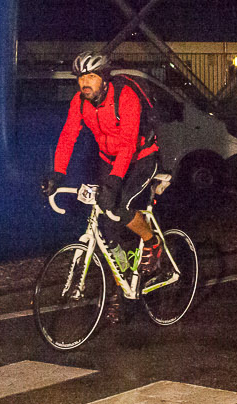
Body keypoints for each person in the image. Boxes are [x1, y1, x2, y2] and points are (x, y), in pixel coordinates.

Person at [40, 53, 164, 285]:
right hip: (108, 159)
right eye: (80, 78)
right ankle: (123, 279)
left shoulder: (125, 96)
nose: (84, 83)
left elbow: (128, 144)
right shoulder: (79, 101)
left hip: (141, 158)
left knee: (121, 207)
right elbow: (68, 136)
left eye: (91, 77)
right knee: (107, 225)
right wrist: (58, 173)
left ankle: (152, 242)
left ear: (104, 78)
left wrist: (114, 181)